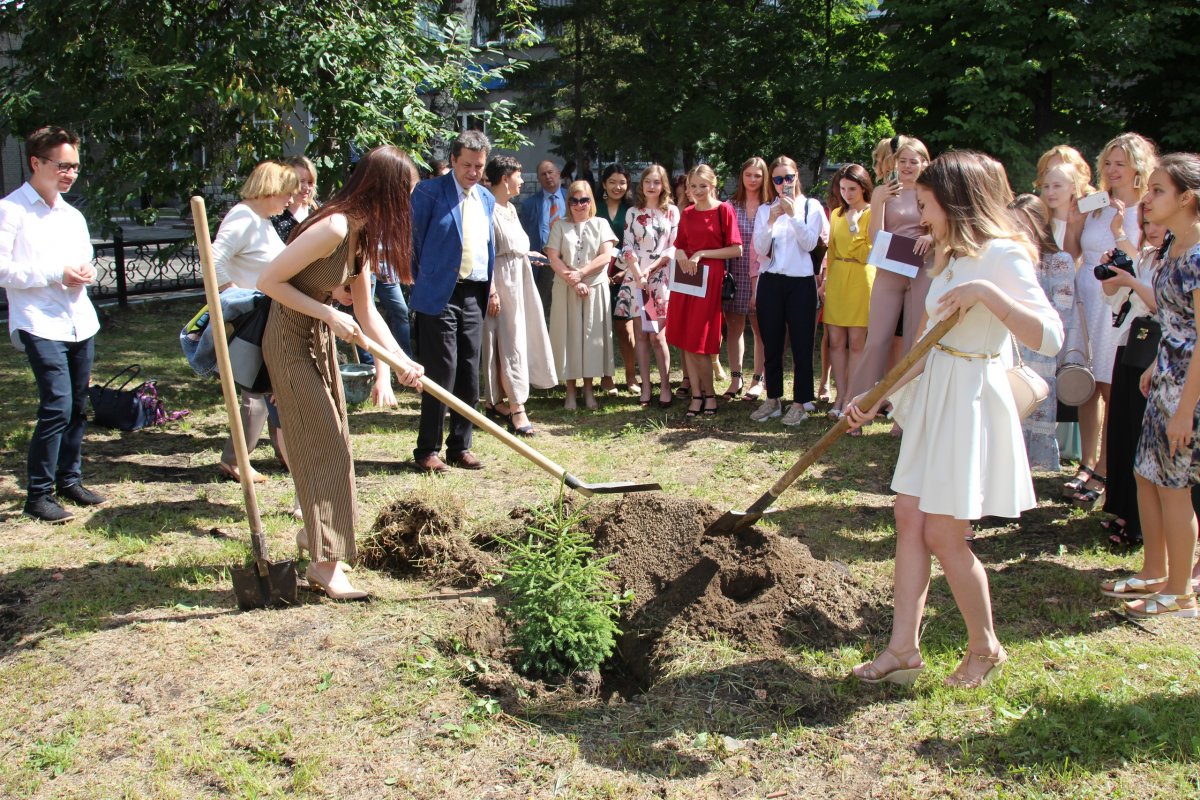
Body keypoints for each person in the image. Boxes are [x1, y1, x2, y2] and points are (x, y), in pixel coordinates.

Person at [845, 150, 1064, 687]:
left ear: (957, 202)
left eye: (927, 205)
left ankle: (985, 647)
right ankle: (903, 649)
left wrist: (987, 294)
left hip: (970, 399)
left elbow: (1051, 337)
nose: (922, 217)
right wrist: (878, 395)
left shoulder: (1003, 254)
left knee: (944, 533)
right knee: (909, 519)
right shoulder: (949, 254)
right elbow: (925, 345)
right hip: (937, 392)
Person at [257, 145, 424, 600]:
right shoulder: (332, 226)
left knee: (336, 444)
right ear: (385, 190)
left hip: (318, 340)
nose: (408, 205)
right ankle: (325, 566)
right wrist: (328, 313)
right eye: (406, 195)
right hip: (288, 341)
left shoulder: (360, 237)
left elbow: (369, 314)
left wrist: (401, 362)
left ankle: (317, 542)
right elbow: (269, 281)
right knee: (325, 445)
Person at [0, 126, 105, 523]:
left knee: (77, 405)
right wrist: (53, 273)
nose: (70, 174)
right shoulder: (11, 211)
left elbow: (86, 259)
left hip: (79, 320)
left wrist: (87, 272)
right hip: (39, 321)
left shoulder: (72, 215)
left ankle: (69, 479)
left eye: (75, 166)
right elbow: (2, 269)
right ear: (35, 162)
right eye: (63, 166)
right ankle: (38, 494)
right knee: (57, 406)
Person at [1115, 153, 1200, 618]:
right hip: (1165, 377)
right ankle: (1154, 570)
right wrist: (1153, 366)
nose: (1146, 198)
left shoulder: (1199, 256)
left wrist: (1186, 409)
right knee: (1145, 472)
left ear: (1187, 198)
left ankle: (1180, 592)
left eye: (1158, 190)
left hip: (1189, 389)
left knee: (1174, 484)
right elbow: (1175, 322)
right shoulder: (1174, 248)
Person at [1062, 133, 1158, 508]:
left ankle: (1106, 467)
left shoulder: (1146, 210)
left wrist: (1120, 230)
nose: (1113, 170)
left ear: (1138, 167)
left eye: (1121, 163)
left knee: (1110, 385)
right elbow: (1074, 252)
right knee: (1085, 384)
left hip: (1119, 305)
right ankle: (1087, 461)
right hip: (1087, 298)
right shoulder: (1097, 205)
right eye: (1108, 162)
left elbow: (1145, 262)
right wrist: (1074, 222)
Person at [409, 130, 495, 474]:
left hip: (474, 291)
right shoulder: (429, 192)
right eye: (467, 165)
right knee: (442, 370)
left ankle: (460, 446)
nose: (473, 172)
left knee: (469, 371)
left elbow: (486, 247)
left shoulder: (486, 198)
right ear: (454, 161)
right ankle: (427, 449)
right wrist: (425, 279)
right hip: (439, 293)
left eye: (479, 166)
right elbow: (413, 242)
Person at [211, 160, 298, 483]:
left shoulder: (261, 220)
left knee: (266, 390)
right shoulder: (243, 217)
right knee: (254, 391)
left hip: (265, 317)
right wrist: (235, 295)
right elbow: (212, 259)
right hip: (248, 321)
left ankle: (271, 454)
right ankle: (235, 460)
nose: (290, 200)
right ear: (271, 189)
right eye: (287, 193)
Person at [845, 135, 934, 431]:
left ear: (925, 164)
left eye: (913, 161)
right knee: (877, 339)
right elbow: (875, 237)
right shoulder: (886, 191)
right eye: (902, 161)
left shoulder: (932, 192)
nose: (907, 166)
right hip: (891, 266)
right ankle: (856, 412)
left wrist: (930, 236)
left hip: (924, 266)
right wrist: (879, 201)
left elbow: (945, 228)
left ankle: (904, 417)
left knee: (914, 343)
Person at [1097, 205, 1166, 548]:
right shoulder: (1147, 257)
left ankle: (1141, 523)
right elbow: (1115, 299)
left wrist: (1131, 281)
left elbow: (1162, 304)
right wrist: (1114, 276)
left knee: (1141, 434)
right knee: (1123, 428)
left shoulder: (1179, 260)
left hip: (1158, 350)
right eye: (1146, 223)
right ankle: (1124, 509)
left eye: (1157, 223)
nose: (1151, 229)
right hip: (1130, 343)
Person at [481, 155, 557, 436]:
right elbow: (485, 253)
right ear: (505, 178)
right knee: (508, 342)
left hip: (519, 281)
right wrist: (492, 291)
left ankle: (498, 401)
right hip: (501, 284)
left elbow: (512, 245)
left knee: (516, 339)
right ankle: (516, 407)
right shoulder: (487, 209)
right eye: (518, 175)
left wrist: (527, 254)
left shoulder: (510, 208)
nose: (522, 181)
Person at [748, 156, 826, 425]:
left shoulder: (811, 207)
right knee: (771, 344)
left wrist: (793, 216)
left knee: (802, 344)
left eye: (788, 177)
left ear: (797, 177)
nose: (784, 184)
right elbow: (760, 249)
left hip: (801, 282)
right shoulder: (765, 210)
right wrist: (771, 220)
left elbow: (810, 243)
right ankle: (773, 399)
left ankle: (800, 402)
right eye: (778, 179)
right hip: (771, 281)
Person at [1008, 193, 1078, 470]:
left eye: (1021, 223)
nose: (1016, 230)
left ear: (1038, 223)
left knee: (1031, 407)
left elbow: (1063, 310)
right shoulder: (1007, 258)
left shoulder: (1058, 260)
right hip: (1008, 347)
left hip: (1038, 350)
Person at [668, 165, 743, 417]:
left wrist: (702, 253)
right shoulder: (687, 213)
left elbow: (736, 249)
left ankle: (709, 395)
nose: (698, 191)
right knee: (686, 341)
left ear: (713, 184)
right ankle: (697, 395)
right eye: (693, 186)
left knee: (699, 341)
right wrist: (681, 253)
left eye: (703, 186)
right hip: (685, 281)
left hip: (709, 281)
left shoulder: (724, 210)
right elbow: (679, 245)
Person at [545, 180, 617, 410]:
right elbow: (553, 257)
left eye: (584, 200)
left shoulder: (601, 224)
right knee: (568, 337)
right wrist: (574, 280)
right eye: (574, 201)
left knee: (590, 338)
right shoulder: (559, 225)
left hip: (594, 287)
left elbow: (606, 256)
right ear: (568, 203)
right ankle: (570, 391)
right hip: (565, 288)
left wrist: (582, 274)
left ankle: (588, 389)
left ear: (590, 201)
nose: (579, 205)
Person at [618, 164, 679, 408]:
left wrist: (650, 270)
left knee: (658, 336)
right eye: (647, 182)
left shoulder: (672, 212)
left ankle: (665, 386)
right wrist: (637, 273)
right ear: (641, 184)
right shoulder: (632, 212)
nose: (652, 186)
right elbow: (627, 246)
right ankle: (645, 386)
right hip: (636, 279)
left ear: (663, 185)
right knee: (641, 335)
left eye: (657, 182)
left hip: (660, 278)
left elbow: (673, 247)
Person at [823, 163, 875, 419]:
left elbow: (869, 253)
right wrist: (826, 280)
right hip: (837, 279)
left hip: (861, 279)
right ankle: (840, 394)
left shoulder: (873, 213)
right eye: (842, 189)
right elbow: (832, 251)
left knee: (856, 343)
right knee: (835, 341)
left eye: (852, 188)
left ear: (863, 187)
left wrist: (854, 227)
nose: (847, 194)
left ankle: (852, 398)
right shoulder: (836, 214)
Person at [725, 157, 771, 401]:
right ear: (741, 177)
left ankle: (758, 379)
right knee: (734, 329)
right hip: (735, 274)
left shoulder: (771, 206)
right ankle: (736, 378)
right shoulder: (730, 205)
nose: (753, 180)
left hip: (763, 275)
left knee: (760, 330)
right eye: (748, 175)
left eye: (758, 175)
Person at [597, 163, 637, 395]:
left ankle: (631, 376)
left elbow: (639, 245)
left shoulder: (633, 210)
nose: (617, 187)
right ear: (604, 184)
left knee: (625, 330)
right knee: (602, 330)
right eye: (612, 182)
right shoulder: (594, 208)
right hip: (598, 276)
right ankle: (607, 378)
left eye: (622, 182)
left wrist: (626, 272)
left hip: (626, 277)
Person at [518, 159, 565, 319]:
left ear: (558, 173)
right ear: (538, 178)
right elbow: (524, 234)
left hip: (569, 260)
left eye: (550, 172)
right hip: (543, 262)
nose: (548, 177)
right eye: (543, 174)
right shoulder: (530, 204)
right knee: (541, 305)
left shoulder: (572, 198)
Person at [271, 155, 318, 244]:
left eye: (310, 182)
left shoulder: (317, 209)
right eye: (301, 181)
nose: (306, 187)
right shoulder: (274, 215)